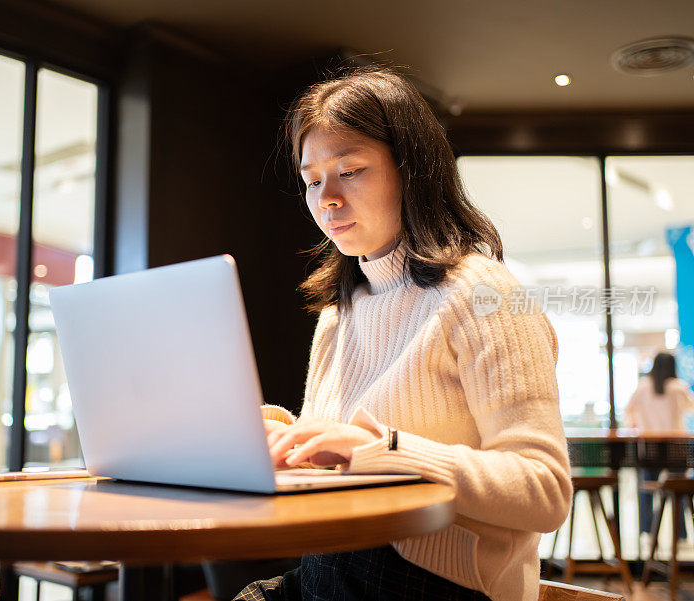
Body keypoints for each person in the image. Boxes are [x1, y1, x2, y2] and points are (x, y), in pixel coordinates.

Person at [238, 65, 572, 601]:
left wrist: (384, 449)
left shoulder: (486, 294)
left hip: (436, 583)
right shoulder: (340, 310)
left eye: (350, 170)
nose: (326, 199)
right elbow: (342, 455)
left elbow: (544, 490)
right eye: (311, 180)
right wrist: (283, 435)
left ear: (413, 169)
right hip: (331, 568)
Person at [625, 352, 694, 539]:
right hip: (676, 446)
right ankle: (681, 533)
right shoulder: (678, 387)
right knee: (678, 490)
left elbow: (628, 410)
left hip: (650, 446)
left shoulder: (642, 387)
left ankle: (646, 531)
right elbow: (691, 407)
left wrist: (637, 424)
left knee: (647, 489)